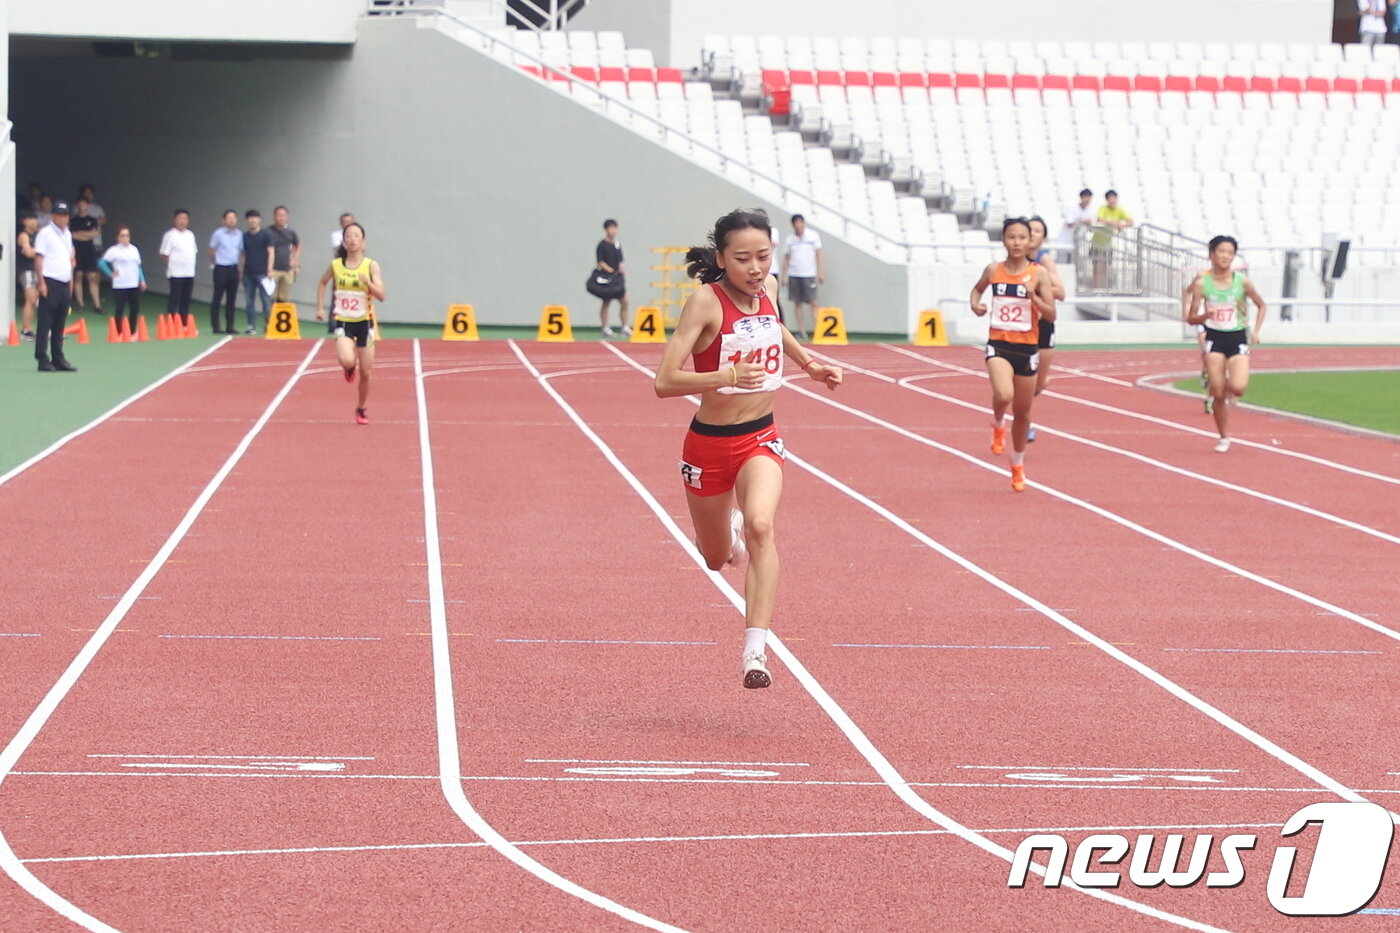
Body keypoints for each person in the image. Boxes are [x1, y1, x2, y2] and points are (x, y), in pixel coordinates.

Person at [653, 208, 843, 688]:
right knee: (715, 558)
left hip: (761, 435)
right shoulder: (705, 303)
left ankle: (755, 651)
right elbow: (665, 381)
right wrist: (726, 376)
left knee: (763, 524)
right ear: (721, 259)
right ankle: (728, 535)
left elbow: (775, 327)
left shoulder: (770, 289)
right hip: (708, 445)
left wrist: (810, 364)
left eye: (764, 256)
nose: (756, 268)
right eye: (743, 259)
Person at [969, 218, 1056, 491]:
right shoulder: (994, 270)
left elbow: (1051, 314)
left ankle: (1017, 465)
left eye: (1022, 237)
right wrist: (976, 305)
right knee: (1004, 394)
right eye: (1011, 237)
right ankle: (997, 422)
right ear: (1004, 240)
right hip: (999, 345)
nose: (1016, 242)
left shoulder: (1039, 274)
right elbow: (977, 289)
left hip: (1027, 349)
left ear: (1030, 241)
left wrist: (1034, 298)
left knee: (1023, 412)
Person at [1184, 235, 1267, 453]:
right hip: (1214, 338)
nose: (1226, 256)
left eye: (1230, 252)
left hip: (1237, 337)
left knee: (1238, 387)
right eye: (1221, 251)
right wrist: (1205, 316)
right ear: (1211, 254)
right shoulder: (1202, 283)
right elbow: (1190, 318)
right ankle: (1224, 437)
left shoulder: (1243, 282)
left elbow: (1262, 305)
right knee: (1218, 393)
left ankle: (1225, 387)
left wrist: (1256, 331)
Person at [315, 223, 385, 425]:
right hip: (343, 322)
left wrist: (368, 283)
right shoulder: (336, 265)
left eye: (356, 236)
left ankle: (361, 408)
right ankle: (348, 367)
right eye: (349, 236)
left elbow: (382, 295)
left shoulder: (371, 266)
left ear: (363, 242)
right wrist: (320, 308)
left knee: (366, 372)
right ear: (344, 242)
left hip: (365, 323)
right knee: (347, 360)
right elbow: (323, 282)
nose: (352, 239)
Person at [1025, 216, 1067, 442]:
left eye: (1037, 231)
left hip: (1044, 324)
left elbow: (1061, 292)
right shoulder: (1015, 258)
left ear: (1044, 238)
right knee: (1024, 379)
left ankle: (1023, 410)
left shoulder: (1045, 260)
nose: (1032, 234)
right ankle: (1025, 423)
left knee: (1039, 382)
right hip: (1021, 325)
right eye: (1029, 230)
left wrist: (1038, 286)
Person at [32, 199, 77, 372]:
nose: (62, 217)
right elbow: (39, 258)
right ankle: (42, 359)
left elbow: (69, 259)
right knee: (45, 322)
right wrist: (41, 282)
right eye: (59, 214)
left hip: (64, 281)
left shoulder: (67, 234)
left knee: (59, 323)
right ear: (53, 216)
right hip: (50, 280)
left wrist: (70, 282)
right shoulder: (45, 233)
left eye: (65, 215)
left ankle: (58, 357)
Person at [780, 213, 823, 340]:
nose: (798, 225)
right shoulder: (790, 239)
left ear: (804, 223)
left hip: (809, 274)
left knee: (813, 302)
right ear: (793, 225)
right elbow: (786, 258)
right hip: (794, 274)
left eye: (800, 222)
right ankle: (802, 331)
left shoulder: (813, 236)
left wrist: (821, 272)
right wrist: (784, 275)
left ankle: (819, 330)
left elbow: (819, 254)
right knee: (797, 303)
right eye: (796, 223)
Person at [99, 227, 147, 339]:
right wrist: (110, 273)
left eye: (127, 235)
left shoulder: (134, 249)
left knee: (135, 308)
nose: (125, 238)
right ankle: (118, 332)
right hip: (120, 284)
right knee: (120, 308)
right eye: (122, 235)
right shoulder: (114, 250)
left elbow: (138, 266)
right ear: (118, 237)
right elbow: (102, 263)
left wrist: (142, 280)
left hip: (133, 284)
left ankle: (132, 331)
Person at [159, 209, 197, 328]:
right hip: (176, 273)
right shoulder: (170, 235)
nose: (182, 221)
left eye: (185, 219)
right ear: (175, 220)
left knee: (186, 300)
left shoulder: (190, 235)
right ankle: (171, 325)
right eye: (180, 218)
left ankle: (183, 325)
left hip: (189, 273)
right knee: (174, 299)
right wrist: (172, 265)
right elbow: (163, 254)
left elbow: (193, 251)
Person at [208, 209, 243, 334]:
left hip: (234, 269)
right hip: (221, 268)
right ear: (224, 220)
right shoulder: (218, 234)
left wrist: (240, 268)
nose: (231, 220)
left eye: (234, 218)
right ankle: (216, 326)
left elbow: (241, 252)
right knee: (217, 297)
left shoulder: (240, 234)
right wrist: (216, 261)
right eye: (229, 218)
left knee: (231, 299)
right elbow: (211, 250)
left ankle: (230, 326)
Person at [1091, 190, 1133, 289]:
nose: (1112, 200)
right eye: (1110, 198)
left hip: (1108, 245)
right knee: (1097, 268)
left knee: (1106, 268)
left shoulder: (1120, 210)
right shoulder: (1103, 208)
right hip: (1097, 243)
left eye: (1114, 198)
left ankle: (1103, 288)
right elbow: (1100, 219)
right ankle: (1096, 289)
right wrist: (1117, 224)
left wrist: (1121, 225)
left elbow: (1130, 221)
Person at [595, 219, 630, 337]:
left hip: (617, 278)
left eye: (615, 228)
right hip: (607, 277)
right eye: (611, 228)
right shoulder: (602, 245)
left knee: (624, 301)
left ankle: (625, 327)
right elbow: (600, 262)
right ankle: (605, 327)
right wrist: (611, 271)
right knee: (606, 302)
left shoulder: (617, 244)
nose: (613, 231)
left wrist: (621, 269)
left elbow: (620, 261)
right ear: (606, 230)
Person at [241, 209, 273, 335]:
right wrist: (241, 271)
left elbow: (271, 252)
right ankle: (251, 325)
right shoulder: (244, 236)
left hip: (263, 273)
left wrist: (269, 269)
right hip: (248, 273)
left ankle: (269, 325)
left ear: (259, 220)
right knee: (249, 301)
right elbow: (243, 254)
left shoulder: (266, 234)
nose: (253, 220)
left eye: (255, 217)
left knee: (266, 301)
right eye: (250, 218)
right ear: (247, 220)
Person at [69, 198, 103, 313]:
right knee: (78, 276)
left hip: (89, 250)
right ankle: (80, 304)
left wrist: (81, 233)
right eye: (80, 203)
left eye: (84, 203)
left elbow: (95, 233)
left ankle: (97, 305)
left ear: (88, 205)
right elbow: (72, 235)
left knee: (92, 277)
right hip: (76, 250)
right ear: (77, 205)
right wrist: (87, 234)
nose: (82, 206)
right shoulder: (72, 220)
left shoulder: (93, 220)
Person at [327, 212, 355, 333]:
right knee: (337, 295)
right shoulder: (336, 235)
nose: (347, 224)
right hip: (340, 267)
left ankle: (352, 323)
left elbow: (362, 248)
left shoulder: (357, 234)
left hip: (354, 267)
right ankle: (333, 324)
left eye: (349, 222)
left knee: (353, 294)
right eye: (345, 222)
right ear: (341, 223)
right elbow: (339, 250)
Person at [268, 205, 301, 303]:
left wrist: (295, 261)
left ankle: (281, 314)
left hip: (287, 270)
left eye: (284, 215)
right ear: (274, 217)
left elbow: (298, 246)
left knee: (284, 299)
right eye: (279, 215)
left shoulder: (291, 232)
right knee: (270, 297)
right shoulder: (268, 231)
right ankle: (269, 314)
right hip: (273, 269)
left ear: (287, 217)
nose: (281, 218)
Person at [15, 212, 40, 341]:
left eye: (35, 218)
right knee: (31, 300)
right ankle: (25, 330)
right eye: (30, 218)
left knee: (33, 300)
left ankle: (29, 329)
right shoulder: (23, 236)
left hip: (37, 270)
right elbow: (29, 253)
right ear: (24, 221)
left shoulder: (37, 236)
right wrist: (42, 251)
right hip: (27, 271)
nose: (34, 221)